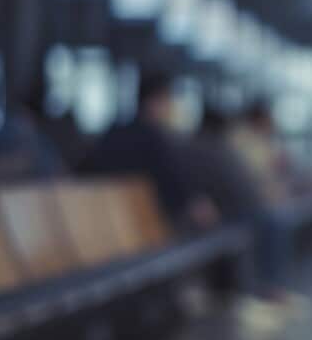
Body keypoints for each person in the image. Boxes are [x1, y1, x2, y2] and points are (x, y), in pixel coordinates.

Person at [78, 72, 217, 229]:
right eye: (169, 100)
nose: (172, 108)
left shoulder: (114, 131)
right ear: (154, 101)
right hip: (139, 226)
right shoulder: (154, 138)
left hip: (101, 221)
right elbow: (176, 187)